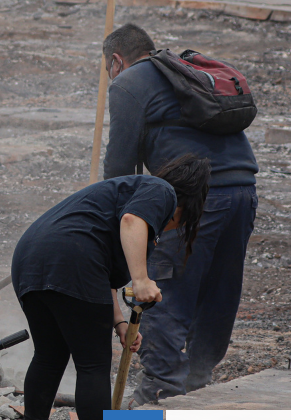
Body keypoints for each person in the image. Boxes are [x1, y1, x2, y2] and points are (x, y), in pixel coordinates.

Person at [102, 23, 259, 406]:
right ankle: (198, 385)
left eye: (108, 69)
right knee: (218, 290)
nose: (110, 76)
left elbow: (120, 168)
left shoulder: (128, 83)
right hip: (243, 190)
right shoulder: (183, 72)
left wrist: (111, 221)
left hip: (193, 200)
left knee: (165, 290)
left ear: (117, 61)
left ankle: (160, 394)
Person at [11, 154, 211, 420]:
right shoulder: (162, 190)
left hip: (30, 261)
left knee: (49, 356)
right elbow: (131, 220)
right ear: (186, 207)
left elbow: (103, 281)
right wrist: (141, 280)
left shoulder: (124, 196)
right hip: (72, 260)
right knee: (93, 364)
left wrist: (119, 323)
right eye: (179, 222)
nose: (169, 228)